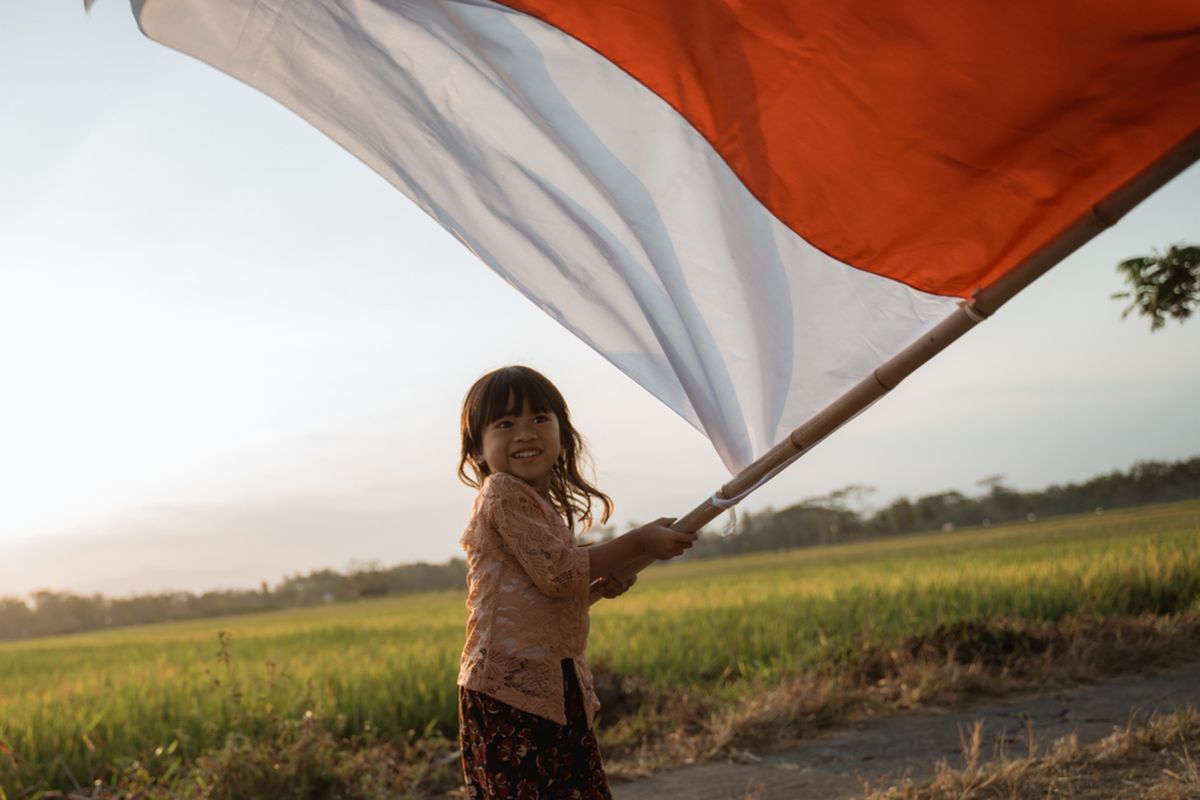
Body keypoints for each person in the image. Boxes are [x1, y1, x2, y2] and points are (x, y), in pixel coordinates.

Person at [456, 365, 696, 799]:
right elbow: (560, 574)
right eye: (505, 424)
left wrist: (599, 587)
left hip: (555, 680)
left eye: (539, 419)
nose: (525, 433)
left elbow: (545, 603)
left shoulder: (537, 503)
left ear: (562, 433)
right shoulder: (502, 494)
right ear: (477, 447)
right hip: (510, 691)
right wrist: (639, 539)